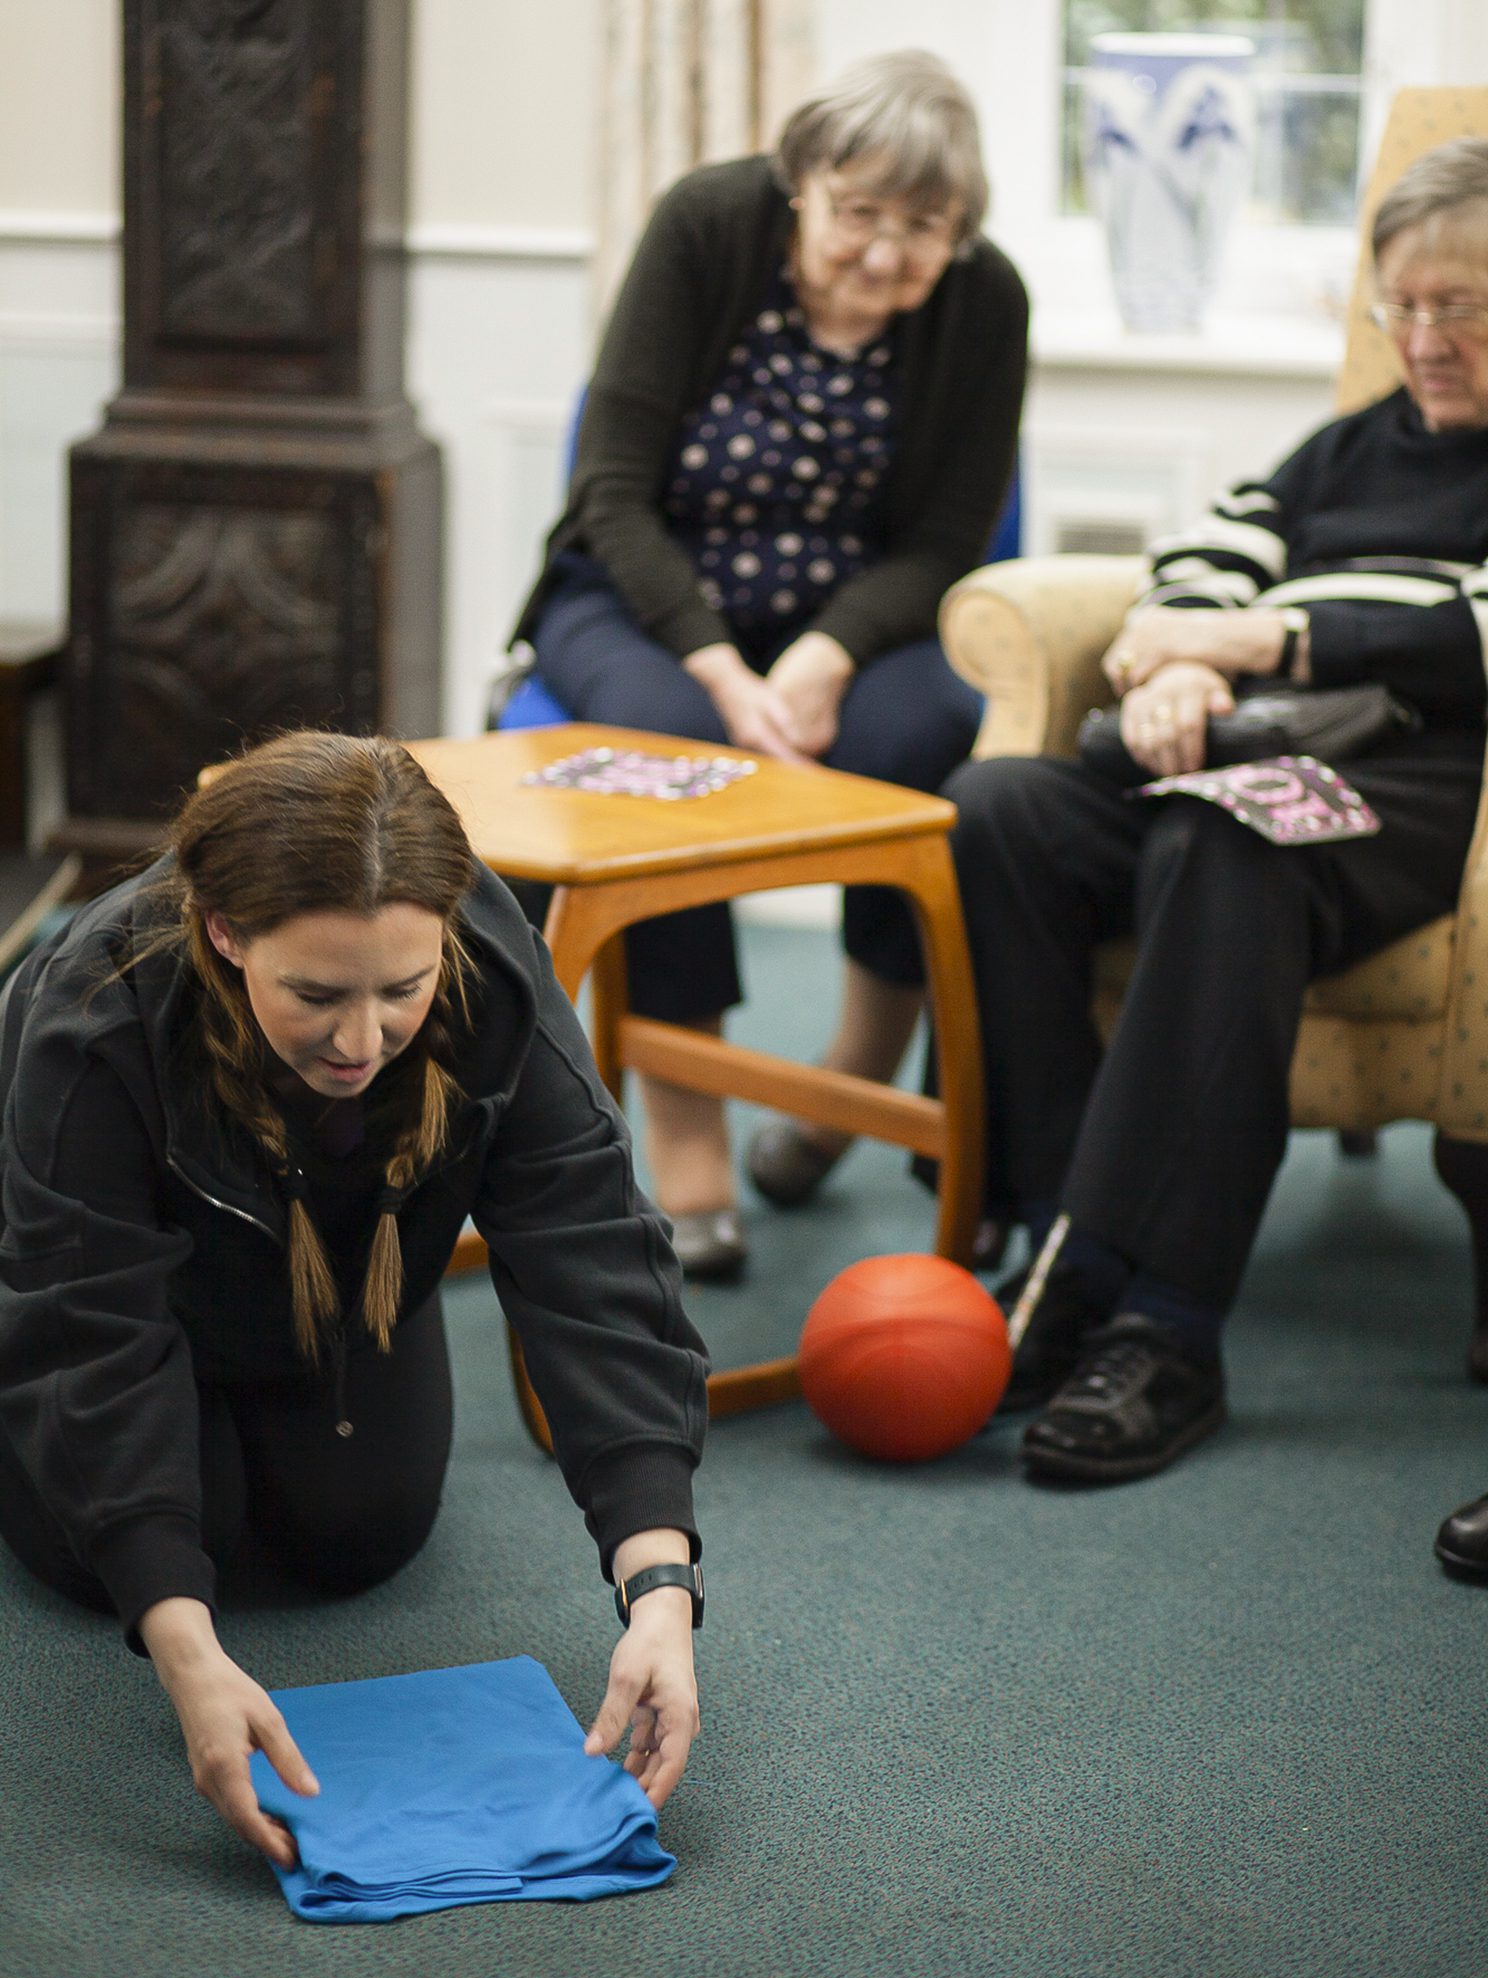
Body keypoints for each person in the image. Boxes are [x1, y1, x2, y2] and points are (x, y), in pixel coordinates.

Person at [0, 731, 708, 1868]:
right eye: (317, 992)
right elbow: (88, 1319)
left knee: (359, 1533)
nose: (363, 1039)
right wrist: (184, 1647)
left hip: (347, 1279)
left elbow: (591, 1254)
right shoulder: (100, 1004)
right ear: (226, 932)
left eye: (403, 989)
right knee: (137, 1559)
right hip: (115, 1295)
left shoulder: (489, 958)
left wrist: (660, 1588)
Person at [943, 137, 1488, 1485]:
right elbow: (1208, 555)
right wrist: (1187, 651)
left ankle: (1167, 1326)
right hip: (1249, 747)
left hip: (1424, 784)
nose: (1424, 338)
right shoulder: (1344, 452)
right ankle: (1063, 1250)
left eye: (1462, 305)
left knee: (1226, 830)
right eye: (1401, 306)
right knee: (997, 807)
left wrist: (1273, 646)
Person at [513, 50, 1028, 1278]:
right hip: (640, 599)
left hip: (855, 614)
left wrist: (828, 650)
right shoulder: (706, 226)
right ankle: (689, 1138)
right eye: (858, 212)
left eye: (926, 227)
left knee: (928, 745)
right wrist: (718, 669)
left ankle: (847, 1078)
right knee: (663, 759)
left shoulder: (988, 300)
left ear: (962, 231)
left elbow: (952, 538)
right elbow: (613, 494)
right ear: (801, 184)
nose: (886, 254)